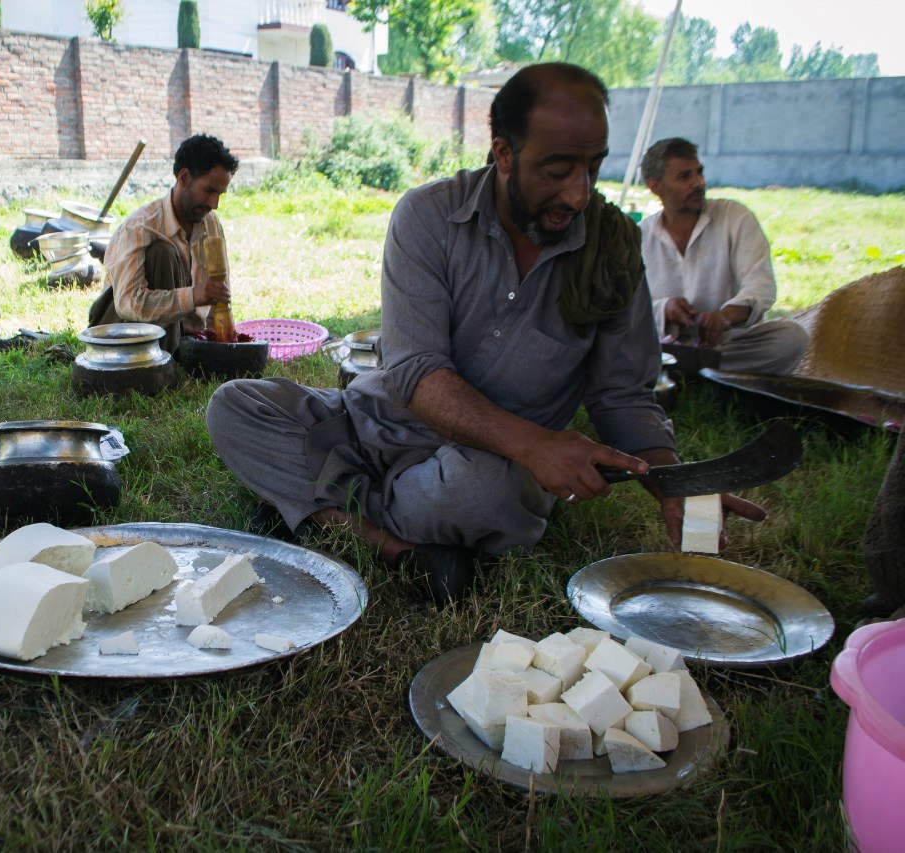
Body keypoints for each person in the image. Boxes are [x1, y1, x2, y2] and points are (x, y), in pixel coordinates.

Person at [205, 64, 764, 606]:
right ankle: (393, 540)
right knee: (234, 405)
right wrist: (540, 445)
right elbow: (416, 371)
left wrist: (671, 479)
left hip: (484, 468)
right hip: (371, 424)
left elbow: (623, 394)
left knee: (482, 494)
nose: (578, 194)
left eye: (592, 168)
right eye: (557, 170)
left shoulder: (612, 249)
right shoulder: (426, 217)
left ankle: (326, 509)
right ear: (503, 153)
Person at [639, 137, 808, 374]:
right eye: (684, 177)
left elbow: (759, 286)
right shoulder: (641, 236)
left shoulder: (734, 217)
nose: (698, 183)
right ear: (655, 186)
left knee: (792, 337)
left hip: (727, 344)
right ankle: (703, 371)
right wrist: (664, 309)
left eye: (699, 172)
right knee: (621, 343)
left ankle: (686, 370)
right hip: (664, 343)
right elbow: (629, 305)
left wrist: (724, 317)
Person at [88, 134, 238, 352]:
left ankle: (175, 353)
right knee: (163, 252)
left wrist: (221, 341)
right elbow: (130, 304)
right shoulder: (140, 227)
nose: (214, 204)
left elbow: (218, 294)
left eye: (220, 194)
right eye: (209, 191)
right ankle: (165, 360)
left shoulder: (210, 224)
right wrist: (195, 295)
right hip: (121, 337)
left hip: (183, 336)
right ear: (184, 177)